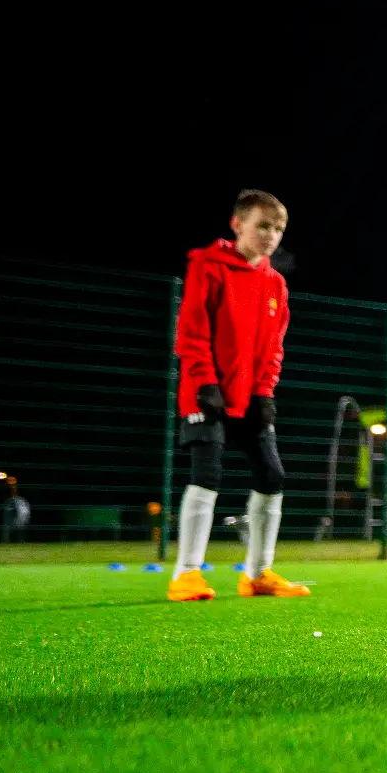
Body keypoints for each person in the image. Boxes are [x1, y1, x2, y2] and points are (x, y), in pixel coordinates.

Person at [167, 189, 308, 601]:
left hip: (250, 397)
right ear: (237, 224)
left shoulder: (275, 285)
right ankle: (187, 574)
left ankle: (258, 574)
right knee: (206, 475)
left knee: (272, 475)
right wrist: (205, 382)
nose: (271, 236)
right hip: (206, 393)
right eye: (263, 225)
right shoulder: (207, 267)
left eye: (278, 229)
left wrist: (265, 393)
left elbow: (274, 347)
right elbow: (191, 333)